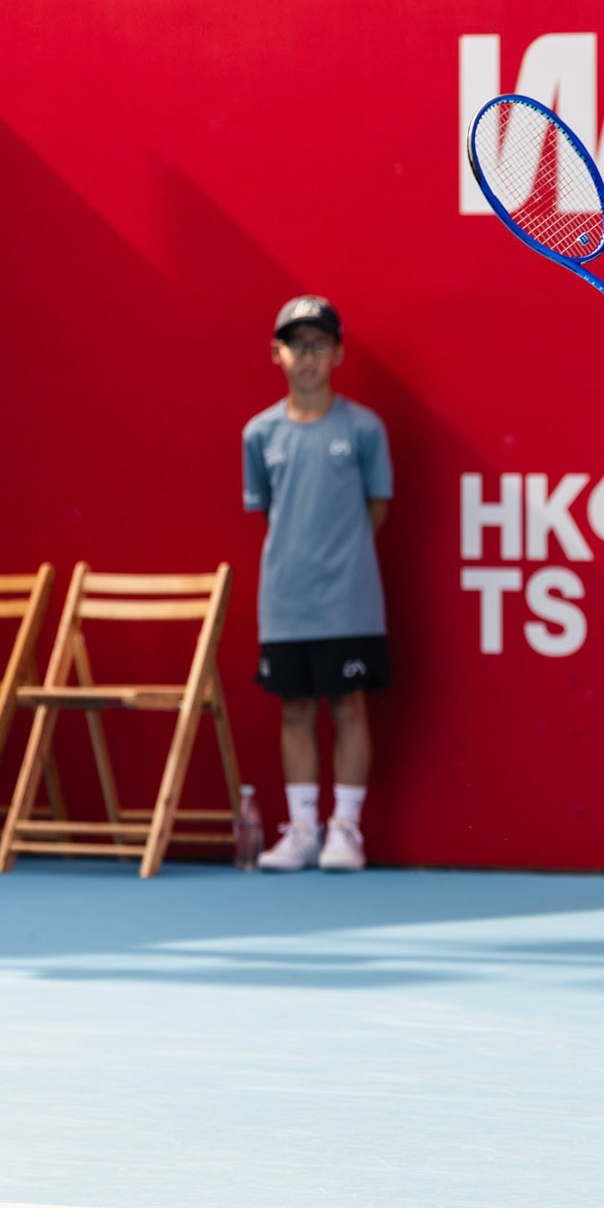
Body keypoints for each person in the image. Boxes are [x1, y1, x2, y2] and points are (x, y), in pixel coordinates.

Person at [242, 296, 393, 872]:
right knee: (296, 708)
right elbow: (270, 512)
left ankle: (345, 830)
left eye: (319, 344)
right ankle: (303, 829)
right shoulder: (259, 434)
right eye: (296, 345)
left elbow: (376, 508)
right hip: (285, 601)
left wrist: (340, 557)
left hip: (350, 599)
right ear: (276, 354)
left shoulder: (364, 429)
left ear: (337, 353)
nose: (308, 356)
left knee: (349, 706)